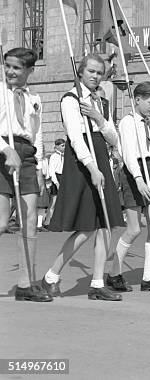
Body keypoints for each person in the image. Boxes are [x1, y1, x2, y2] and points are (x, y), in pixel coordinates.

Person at [42, 54, 124, 301]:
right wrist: (92, 168)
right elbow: (76, 138)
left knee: (107, 224)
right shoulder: (71, 99)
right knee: (86, 227)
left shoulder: (102, 101)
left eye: (100, 72)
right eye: (91, 71)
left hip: (101, 155)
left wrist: (98, 117)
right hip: (83, 163)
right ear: (80, 71)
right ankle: (51, 276)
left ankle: (98, 283)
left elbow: (112, 137)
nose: (96, 76)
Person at [108, 82, 150, 292]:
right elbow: (127, 153)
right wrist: (137, 178)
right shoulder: (128, 122)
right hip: (134, 172)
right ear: (137, 99)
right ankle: (114, 273)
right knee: (134, 229)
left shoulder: (149, 124)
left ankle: (148, 277)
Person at [0, 48, 49, 302]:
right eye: (7, 65)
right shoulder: (0, 92)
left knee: (29, 221)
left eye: (17, 68)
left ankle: (25, 284)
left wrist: (39, 166)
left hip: (27, 157)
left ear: (30, 71)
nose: (10, 71)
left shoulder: (34, 99)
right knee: (1, 223)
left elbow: (37, 134)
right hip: (3, 154)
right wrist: (7, 150)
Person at [44, 138, 65, 226]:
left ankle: (58, 221)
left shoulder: (64, 156)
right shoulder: (54, 156)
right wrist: (56, 183)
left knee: (61, 202)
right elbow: (51, 171)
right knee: (53, 202)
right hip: (56, 178)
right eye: (62, 146)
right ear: (56, 146)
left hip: (63, 177)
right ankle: (48, 222)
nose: (64, 147)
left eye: (64, 146)